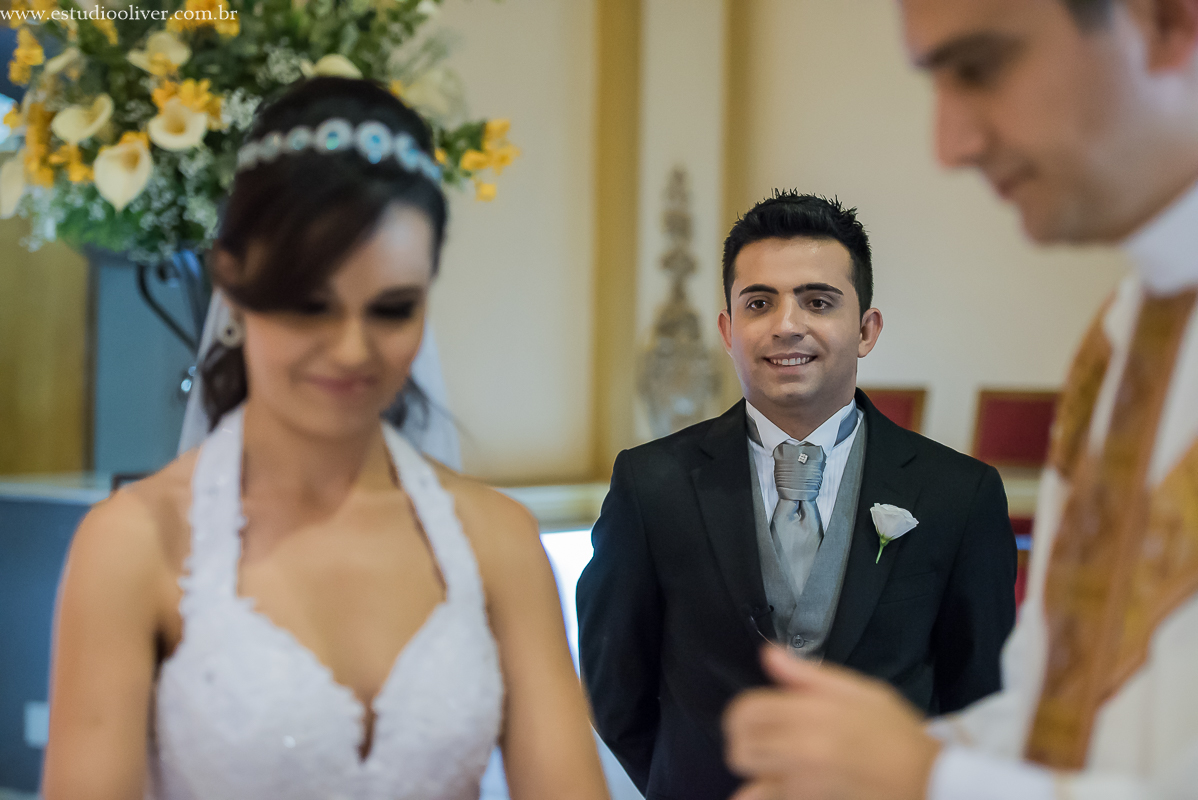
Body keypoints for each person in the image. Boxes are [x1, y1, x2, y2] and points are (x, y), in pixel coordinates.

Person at [40, 77, 609, 800]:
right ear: (233, 283)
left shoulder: (497, 539)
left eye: (392, 310)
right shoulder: (134, 544)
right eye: (311, 306)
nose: (351, 351)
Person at [722, 1, 1198, 799]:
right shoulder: (1121, 334)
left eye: (982, 68)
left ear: (1165, 22)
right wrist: (859, 762)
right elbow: (1063, 711)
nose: (952, 145)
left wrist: (930, 777)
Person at [577, 192, 1018, 800]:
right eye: (759, 302)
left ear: (866, 330)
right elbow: (613, 684)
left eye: (817, 301)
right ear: (729, 330)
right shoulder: (650, 483)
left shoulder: (957, 493)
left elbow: (981, 697)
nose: (787, 324)